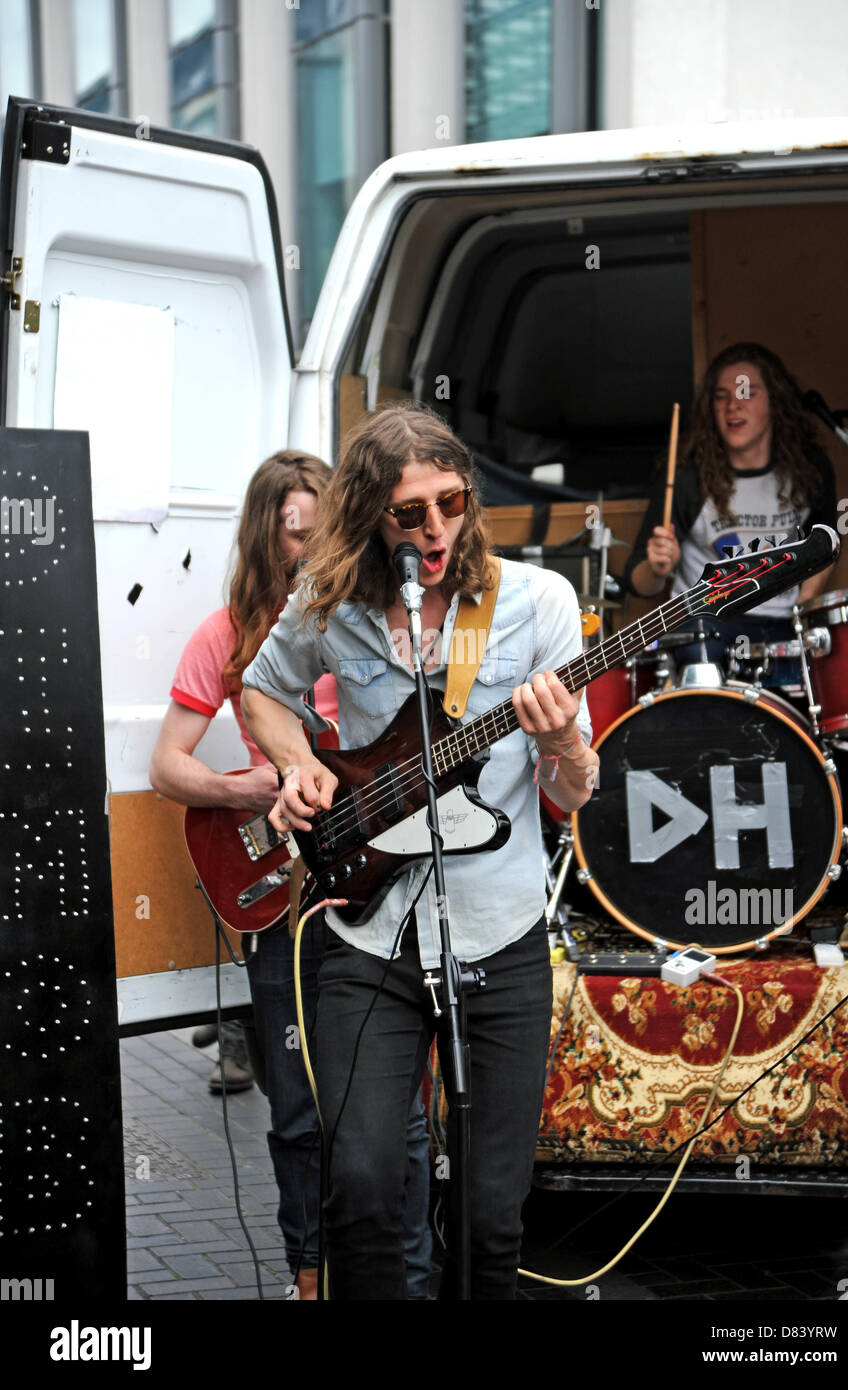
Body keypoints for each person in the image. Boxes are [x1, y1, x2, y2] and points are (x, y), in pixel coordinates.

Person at [240, 404, 599, 1300]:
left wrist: (561, 746)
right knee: (359, 1185)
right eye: (410, 512)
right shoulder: (331, 605)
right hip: (369, 933)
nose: (436, 528)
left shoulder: (535, 604)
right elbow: (261, 692)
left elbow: (570, 794)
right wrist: (297, 765)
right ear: (369, 515)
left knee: (490, 1213)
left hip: (499, 932)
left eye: (452, 502)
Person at [150, 450, 432, 1300]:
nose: (304, 555)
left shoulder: (371, 622)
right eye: (289, 538)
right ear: (262, 537)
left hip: (381, 888)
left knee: (405, 1113)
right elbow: (167, 766)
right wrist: (245, 784)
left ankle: (406, 1278)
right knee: (298, 1111)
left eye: (318, 535)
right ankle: (308, 1280)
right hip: (285, 897)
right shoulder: (223, 634)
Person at [626, 342, 837, 685]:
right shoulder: (688, 477)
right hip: (708, 623)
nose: (732, 405)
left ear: (775, 402)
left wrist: (805, 609)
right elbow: (637, 582)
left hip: (783, 624)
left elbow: (825, 544)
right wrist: (657, 567)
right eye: (721, 396)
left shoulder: (810, 470)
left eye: (746, 392)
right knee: (699, 643)